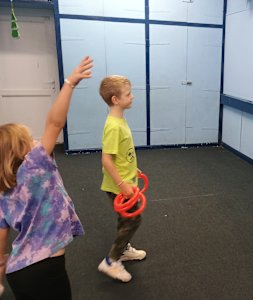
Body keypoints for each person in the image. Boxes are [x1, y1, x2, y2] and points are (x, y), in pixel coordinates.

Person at [0, 56, 93, 299]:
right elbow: (55, 122)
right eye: (30, 139)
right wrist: (69, 83)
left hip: (18, 272)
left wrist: (0, 271)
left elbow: (1, 239)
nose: (37, 141)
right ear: (21, 151)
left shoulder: (3, 190)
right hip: (46, 269)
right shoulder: (36, 165)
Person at [97, 75, 146, 283]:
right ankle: (111, 261)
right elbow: (107, 160)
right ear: (115, 100)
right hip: (120, 186)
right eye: (128, 94)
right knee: (133, 220)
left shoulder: (119, 119)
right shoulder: (114, 126)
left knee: (124, 220)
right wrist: (123, 184)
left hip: (126, 180)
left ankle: (123, 249)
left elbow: (121, 153)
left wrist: (132, 169)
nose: (132, 96)